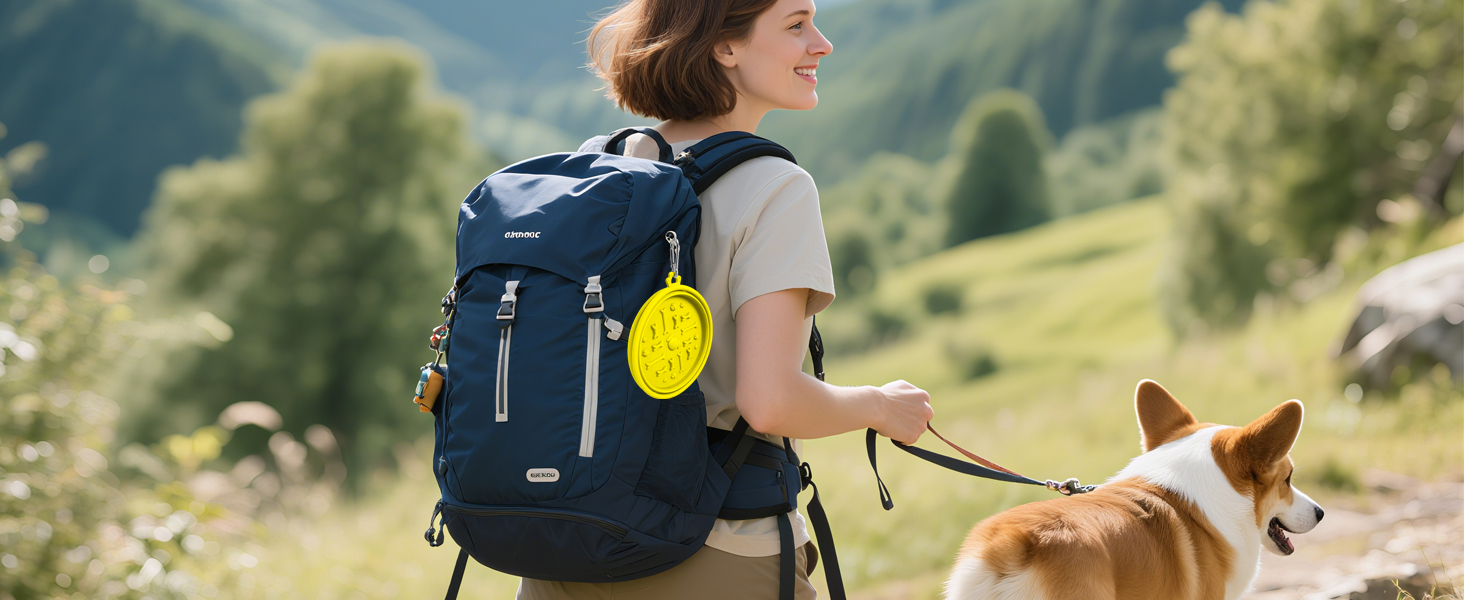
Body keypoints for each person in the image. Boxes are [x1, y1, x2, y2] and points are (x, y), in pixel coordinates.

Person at [516, 0, 934, 598]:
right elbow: (769, 402)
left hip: (561, 546)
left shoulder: (596, 162)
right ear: (725, 46)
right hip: (710, 547)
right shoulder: (775, 187)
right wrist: (880, 406)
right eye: (796, 24)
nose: (822, 44)